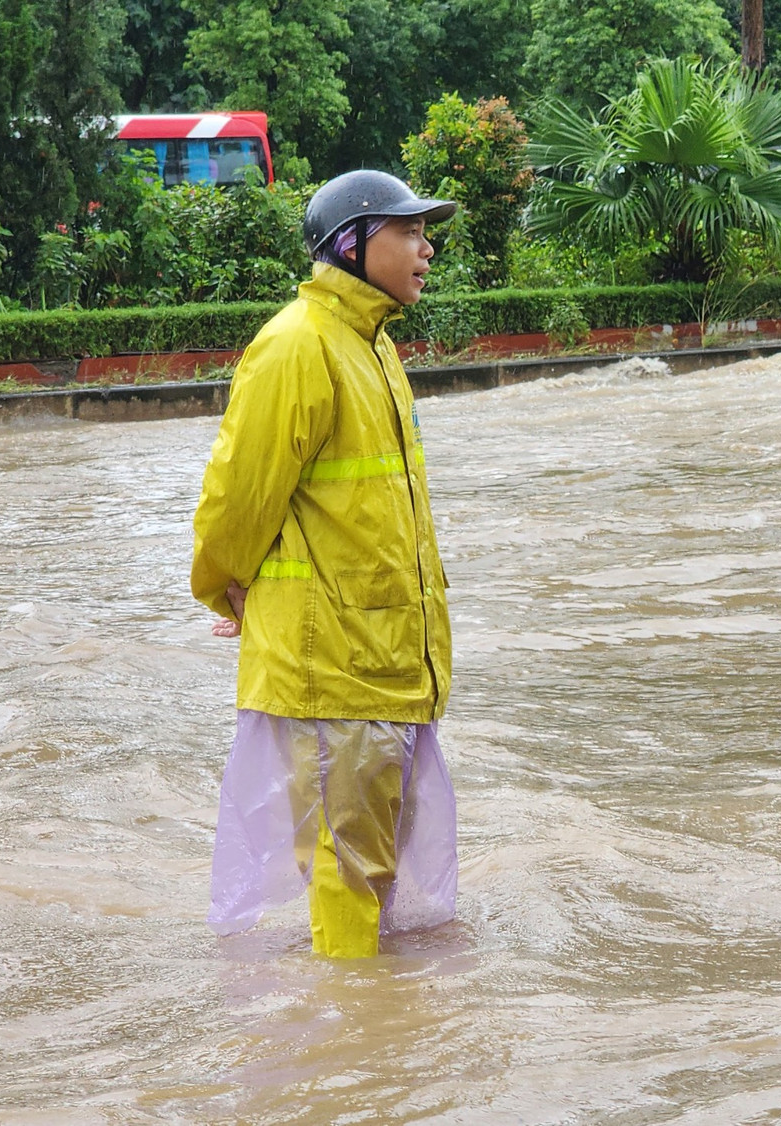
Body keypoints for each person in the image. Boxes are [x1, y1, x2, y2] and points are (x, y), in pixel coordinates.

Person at [192, 170, 460, 957]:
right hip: (334, 668)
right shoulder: (296, 346)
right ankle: (348, 1047)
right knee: (348, 874)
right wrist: (224, 587)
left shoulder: (374, 348)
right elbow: (237, 500)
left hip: (386, 665)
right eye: (407, 231)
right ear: (352, 244)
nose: (426, 246)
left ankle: (372, 1049)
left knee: (373, 873)